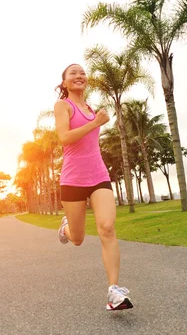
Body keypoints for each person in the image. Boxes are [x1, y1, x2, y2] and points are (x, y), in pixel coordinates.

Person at [53, 63, 133, 311]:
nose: (79, 75)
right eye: (73, 73)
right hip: (72, 180)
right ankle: (66, 228)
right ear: (64, 83)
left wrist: (97, 119)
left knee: (107, 228)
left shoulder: (90, 109)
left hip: (98, 176)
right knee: (77, 239)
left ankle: (114, 292)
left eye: (82, 73)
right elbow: (64, 138)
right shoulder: (63, 106)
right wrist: (96, 123)